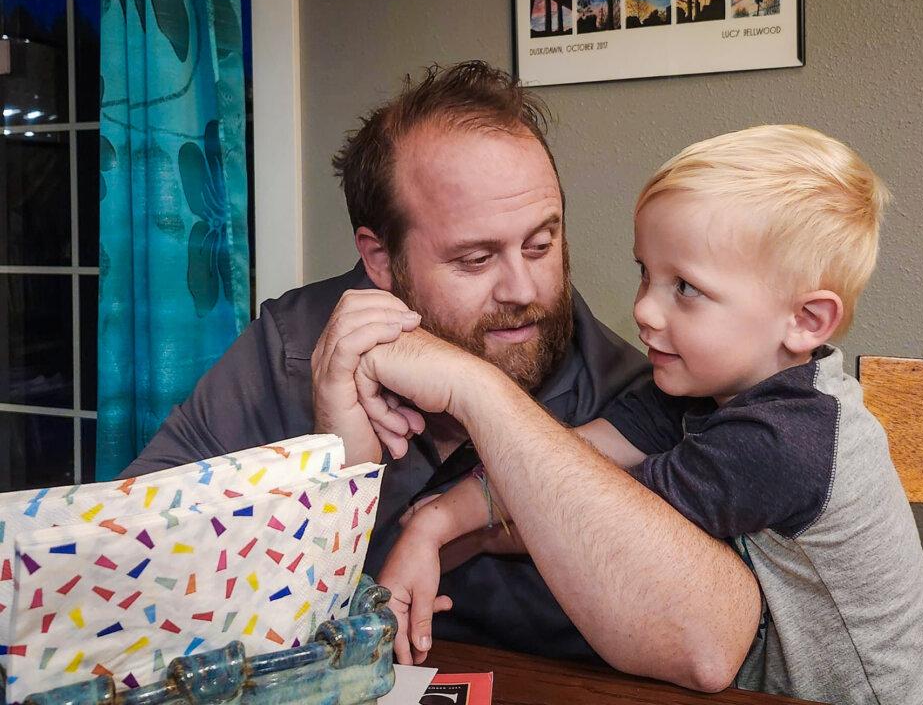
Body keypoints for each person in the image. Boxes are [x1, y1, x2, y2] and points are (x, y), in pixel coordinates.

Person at [122, 61, 761, 690]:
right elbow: (126, 582)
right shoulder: (293, 343)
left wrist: (479, 392)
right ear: (379, 259)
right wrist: (334, 472)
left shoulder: (640, 393)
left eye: (541, 244)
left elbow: (710, 650)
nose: (523, 288)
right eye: (475, 258)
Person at [357, 125, 923, 703]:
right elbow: (572, 460)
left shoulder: (785, 439)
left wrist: (441, 527)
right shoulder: (700, 388)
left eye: (685, 287)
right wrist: (435, 522)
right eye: (646, 275)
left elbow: (583, 514)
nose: (645, 311)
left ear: (806, 321)